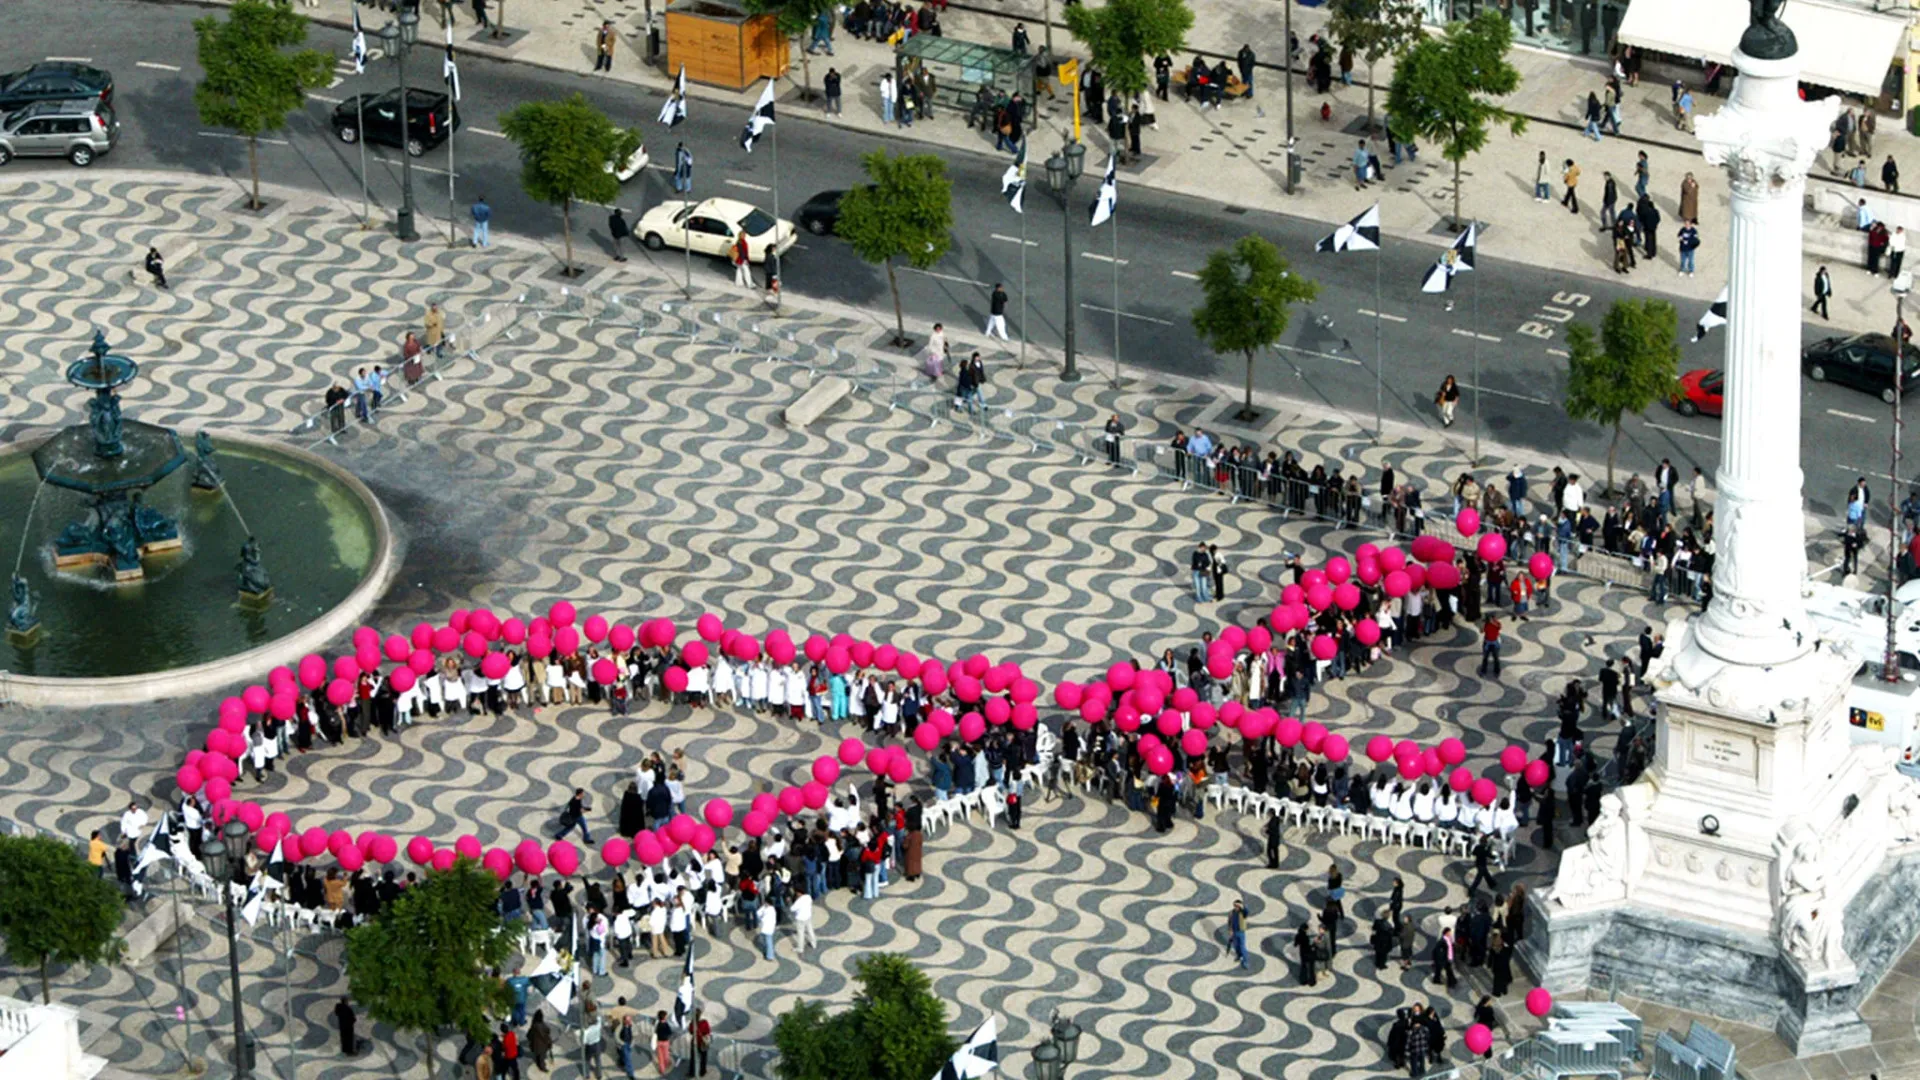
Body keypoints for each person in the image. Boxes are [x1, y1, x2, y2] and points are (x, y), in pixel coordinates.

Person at [1226, 898, 1249, 969]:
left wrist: (1242, 907)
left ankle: (1245, 961)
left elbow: (1246, 912)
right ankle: (1239, 956)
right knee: (1236, 946)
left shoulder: (1243, 913)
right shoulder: (1231, 913)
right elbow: (1229, 922)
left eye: (1237, 906)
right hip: (1234, 932)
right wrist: (1230, 930)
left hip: (1241, 932)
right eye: (1234, 905)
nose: (1235, 907)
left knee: (1242, 947)